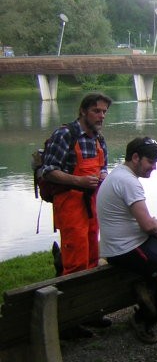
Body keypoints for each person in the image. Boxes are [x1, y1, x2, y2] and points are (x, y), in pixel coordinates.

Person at [97, 137, 157, 344]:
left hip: (135, 239)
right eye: (151, 162)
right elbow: (148, 225)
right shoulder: (128, 182)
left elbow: (147, 224)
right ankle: (142, 320)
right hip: (125, 249)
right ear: (135, 157)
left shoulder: (121, 175)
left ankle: (151, 286)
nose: (154, 168)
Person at [41, 92, 111, 276]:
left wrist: (103, 175)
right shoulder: (64, 135)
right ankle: (71, 299)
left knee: (92, 253)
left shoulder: (99, 138)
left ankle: (89, 298)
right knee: (75, 257)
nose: (101, 116)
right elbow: (48, 171)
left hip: (92, 202)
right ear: (82, 111)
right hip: (70, 204)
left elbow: (103, 166)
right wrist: (78, 181)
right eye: (96, 111)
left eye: (104, 112)